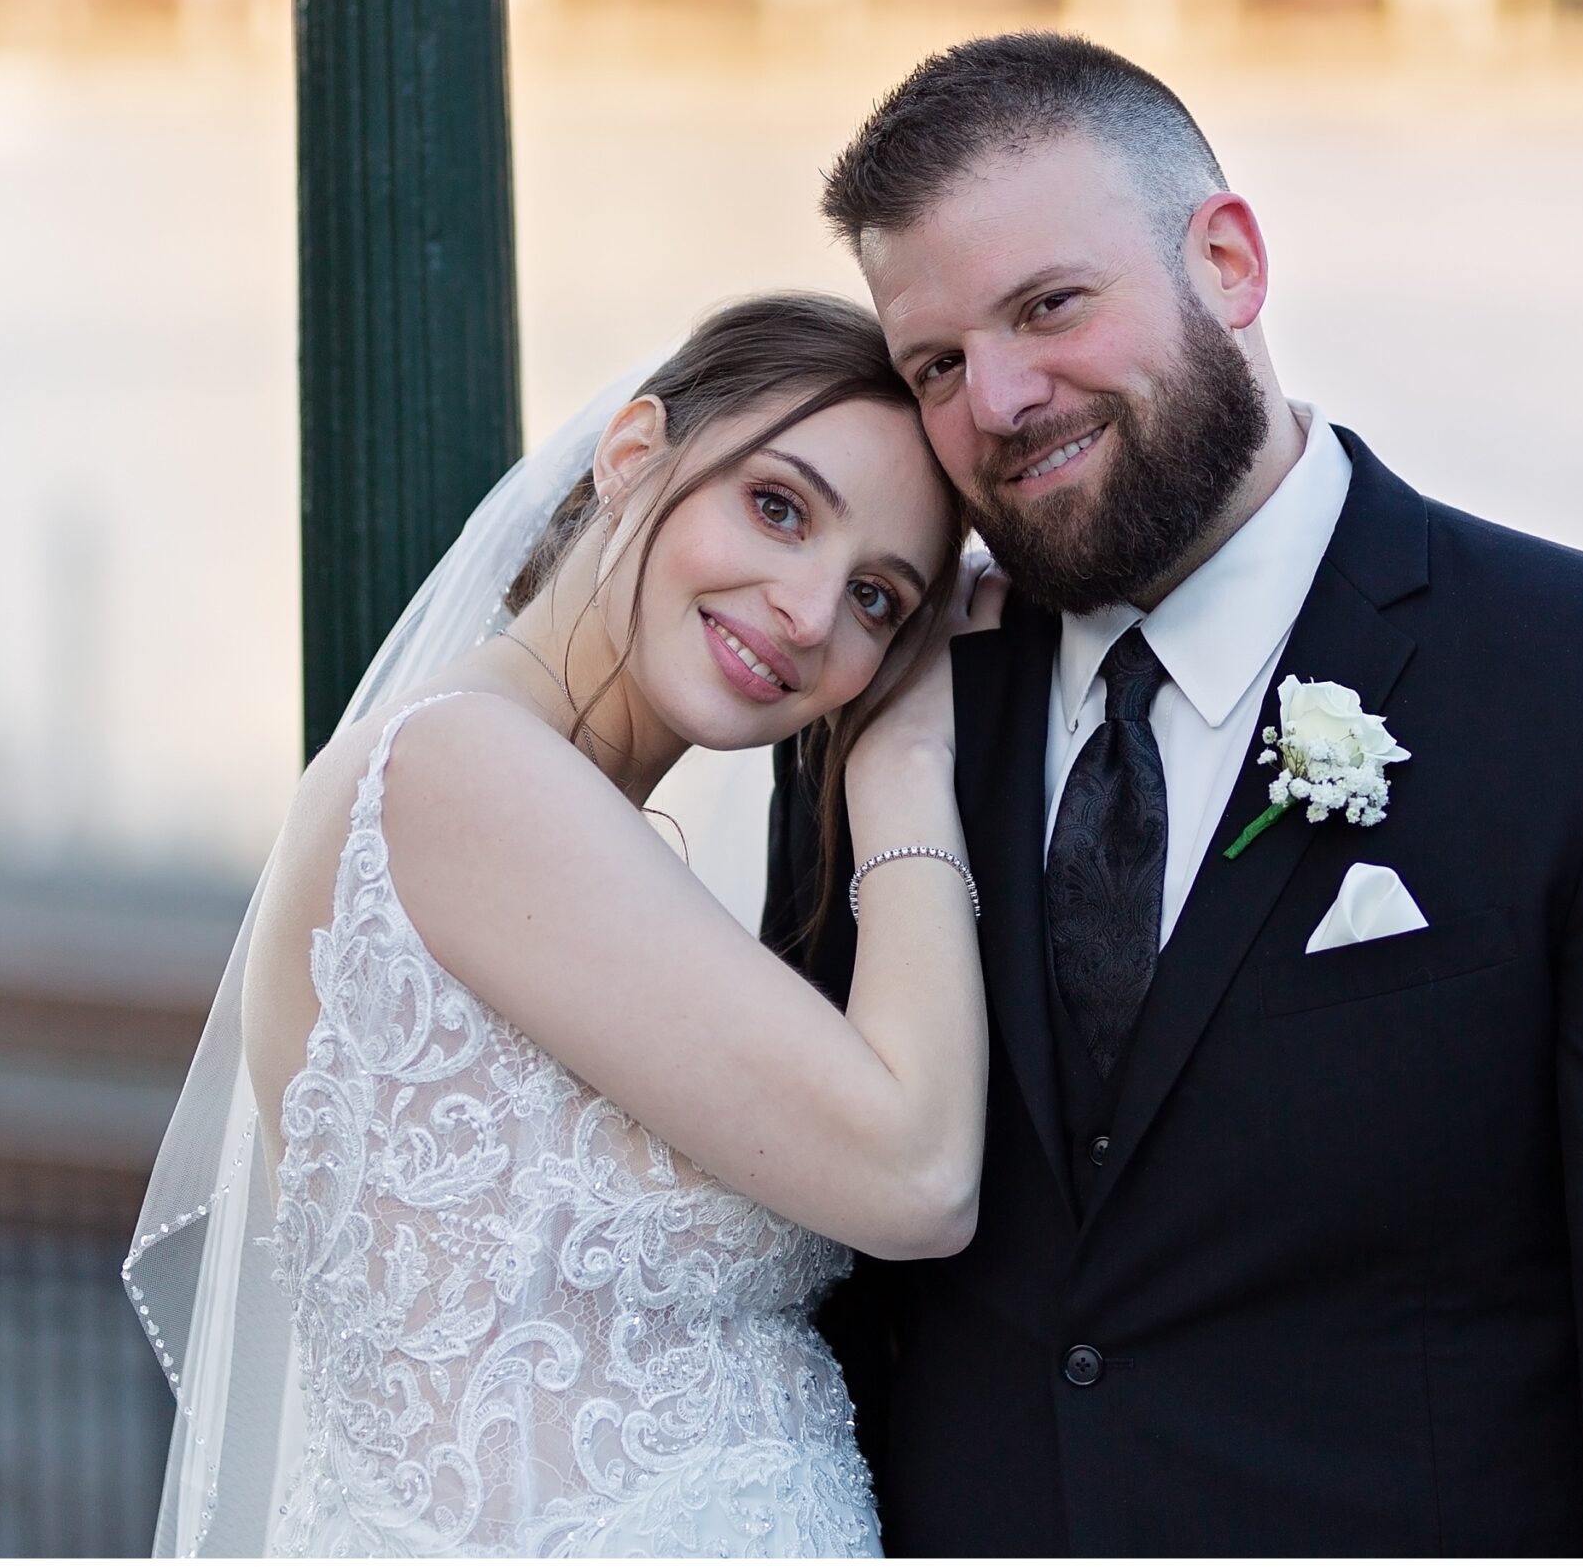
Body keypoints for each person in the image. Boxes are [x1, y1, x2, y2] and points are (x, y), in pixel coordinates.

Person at [762, 33, 1583, 1555]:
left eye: (1050, 308)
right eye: (936, 364)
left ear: (1226, 260)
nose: (1001, 400)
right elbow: (826, 1281)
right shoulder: (877, 703)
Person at [127, 293, 1000, 1556]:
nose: (811, 612)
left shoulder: (548, 814)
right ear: (634, 453)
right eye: (776, 507)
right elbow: (916, 1174)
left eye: (877, 599)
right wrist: (906, 756)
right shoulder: (459, 774)